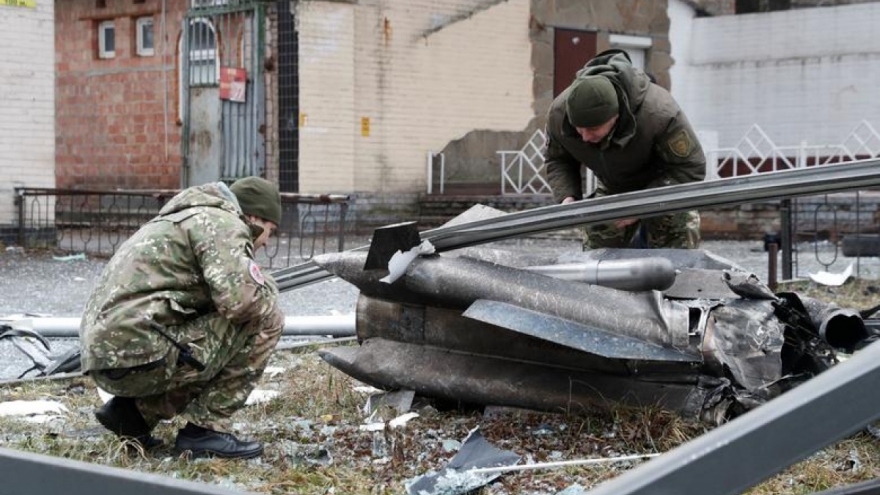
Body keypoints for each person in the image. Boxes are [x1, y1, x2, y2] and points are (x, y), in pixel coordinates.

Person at [79, 176, 285, 459]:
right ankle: (206, 431)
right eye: (270, 230)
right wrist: (265, 286)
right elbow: (241, 304)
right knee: (266, 316)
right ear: (255, 217)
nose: (265, 242)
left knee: (213, 336)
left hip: (109, 355)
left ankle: (133, 415)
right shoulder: (224, 223)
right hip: (138, 352)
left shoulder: (186, 217)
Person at [543, 49, 706, 249]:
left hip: (664, 187)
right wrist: (567, 196)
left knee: (677, 249)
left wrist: (642, 205)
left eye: (593, 129)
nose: (585, 137)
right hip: (614, 186)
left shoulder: (660, 113)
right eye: (579, 129)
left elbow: (691, 167)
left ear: (615, 116)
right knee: (597, 254)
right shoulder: (559, 114)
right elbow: (557, 158)